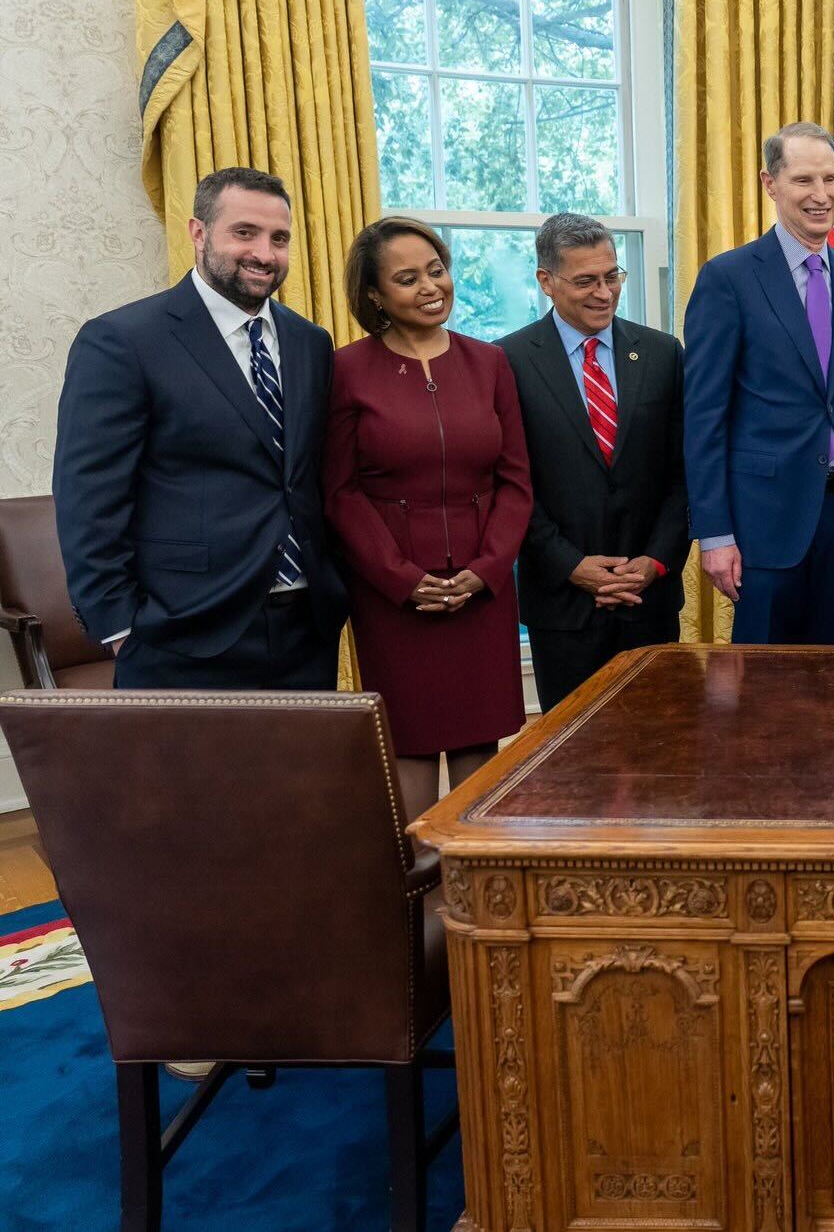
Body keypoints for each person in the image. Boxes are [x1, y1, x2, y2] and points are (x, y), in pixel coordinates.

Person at [54, 166, 348, 688]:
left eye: (279, 238)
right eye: (244, 232)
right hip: (181, 633)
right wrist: (121, 626)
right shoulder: (122, 341)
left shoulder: (310, 343)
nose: (264, 252)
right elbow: (89, 499)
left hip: (307, 626)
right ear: (198, 232)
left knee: (305, 775)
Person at [325, 217, 534, 818]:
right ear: (374, 294)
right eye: (408, 278)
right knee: (410, 750)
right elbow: (339, 492)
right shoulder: (345, 370)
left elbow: (515, 481)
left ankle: (476, 898)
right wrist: (399, 577)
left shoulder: (490, 363)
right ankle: (413, 906)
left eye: (436, 270)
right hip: (393, 597)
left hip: (482, 591)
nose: (430, 287)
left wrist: (489, 569)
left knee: (481, 744)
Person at [683, 121, 834, 643]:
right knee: (763, 694)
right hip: (764, 524)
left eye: (831, 179)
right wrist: (714, 534)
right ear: (770, 183)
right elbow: (704, 418)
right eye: (804, 180)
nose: (821, 195)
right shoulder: (728, 278)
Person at [501, 214, 689, 710]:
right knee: (568, 757)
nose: (604, 293)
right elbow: (512, 485)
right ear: (546, 281)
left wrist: (654, 562)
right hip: (563, 604)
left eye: (612, 277)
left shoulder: (662, 353)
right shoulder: (507, 362)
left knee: (659, 751)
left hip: (648, 597)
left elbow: (682, 476)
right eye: (585, 281)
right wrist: (572, 566)